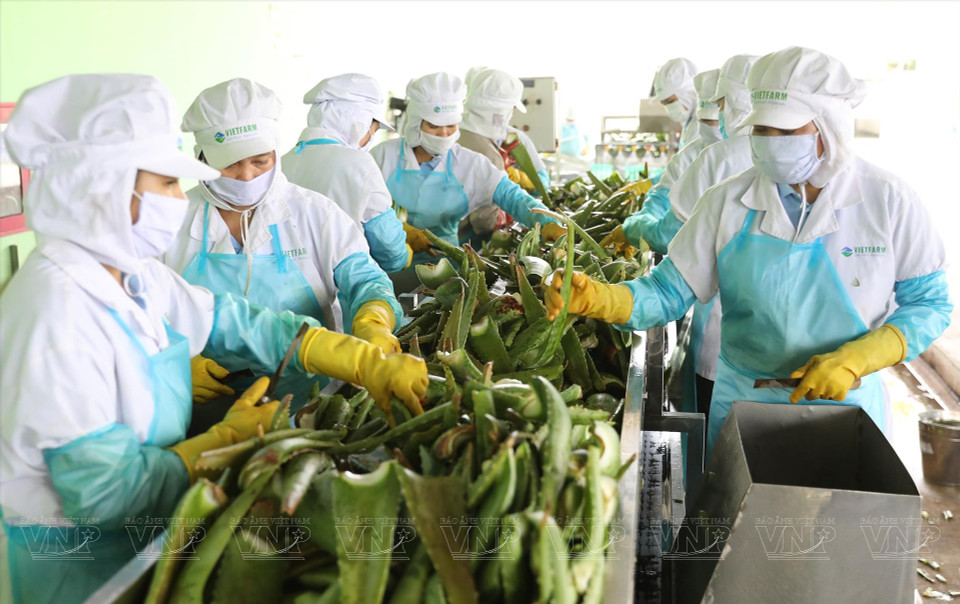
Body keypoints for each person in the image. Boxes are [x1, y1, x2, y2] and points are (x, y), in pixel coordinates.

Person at [0, 74, 429, 604]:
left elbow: (226, 318)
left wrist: (349, 355)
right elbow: (103, 493)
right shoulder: (55, 310)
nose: (180, 199)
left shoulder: (127, 271)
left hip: (154, 522)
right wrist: (220, 444)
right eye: (166, 183)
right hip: (84, 564)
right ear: (105, 188)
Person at [544, 47, 953, 455]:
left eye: (787, 132)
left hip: (847, 404)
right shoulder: (728, 201)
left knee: (838, 513)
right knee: (738, 512)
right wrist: (601, 298)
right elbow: (668, 291)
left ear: (830, 128)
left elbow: (930, 303)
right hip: (743, 400)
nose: (770, 143)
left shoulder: (887, 200)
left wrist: (859, 358)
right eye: (762, 129)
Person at [165, 78, 403, 402]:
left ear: (276, 154)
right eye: (231, 164)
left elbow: (365, 279)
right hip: (201, 406)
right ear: (202, 160)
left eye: (260, 161)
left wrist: (374, 317)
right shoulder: (171, 219)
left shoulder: (314, 213)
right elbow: (140, 309)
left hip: (304, 401)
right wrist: (172, 360)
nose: (247, 175)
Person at [370, 71, 564, 269]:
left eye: (451, 126)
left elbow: (512, 196)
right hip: (383, 265)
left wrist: (545, 221)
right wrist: (401, 230)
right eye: (434, 126)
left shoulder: (469, 163)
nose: (444, 134)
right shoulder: (382, 157)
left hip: (447, 266)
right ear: (415, 123)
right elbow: (357, 206)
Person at [280, 73, 410, 274]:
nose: (369, 139)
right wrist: (404, 255)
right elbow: (388, 246)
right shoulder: (358, 163)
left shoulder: (283, 162)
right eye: (372, 131)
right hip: (341, 288)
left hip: (290, 284)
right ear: (358, 124)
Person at [610, 68, 721, 255]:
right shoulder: (698, 137)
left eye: (670, 101)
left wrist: (633, 229)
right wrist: (655, 189)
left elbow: (668, 234)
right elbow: (680, 172)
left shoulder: (728, 153)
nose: (711, 127)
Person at [458, 68, 532, 243]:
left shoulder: (453, 136)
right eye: (511, 109)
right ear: (500, 111)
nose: (511, 116)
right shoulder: (487, 154)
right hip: (465, 242)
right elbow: (483, 222)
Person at [651, 57, 700, 150]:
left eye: (670, 101)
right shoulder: (689, 123)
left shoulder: (702, 126)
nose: (669, 109)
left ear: (687, 95)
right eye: (664, 104)